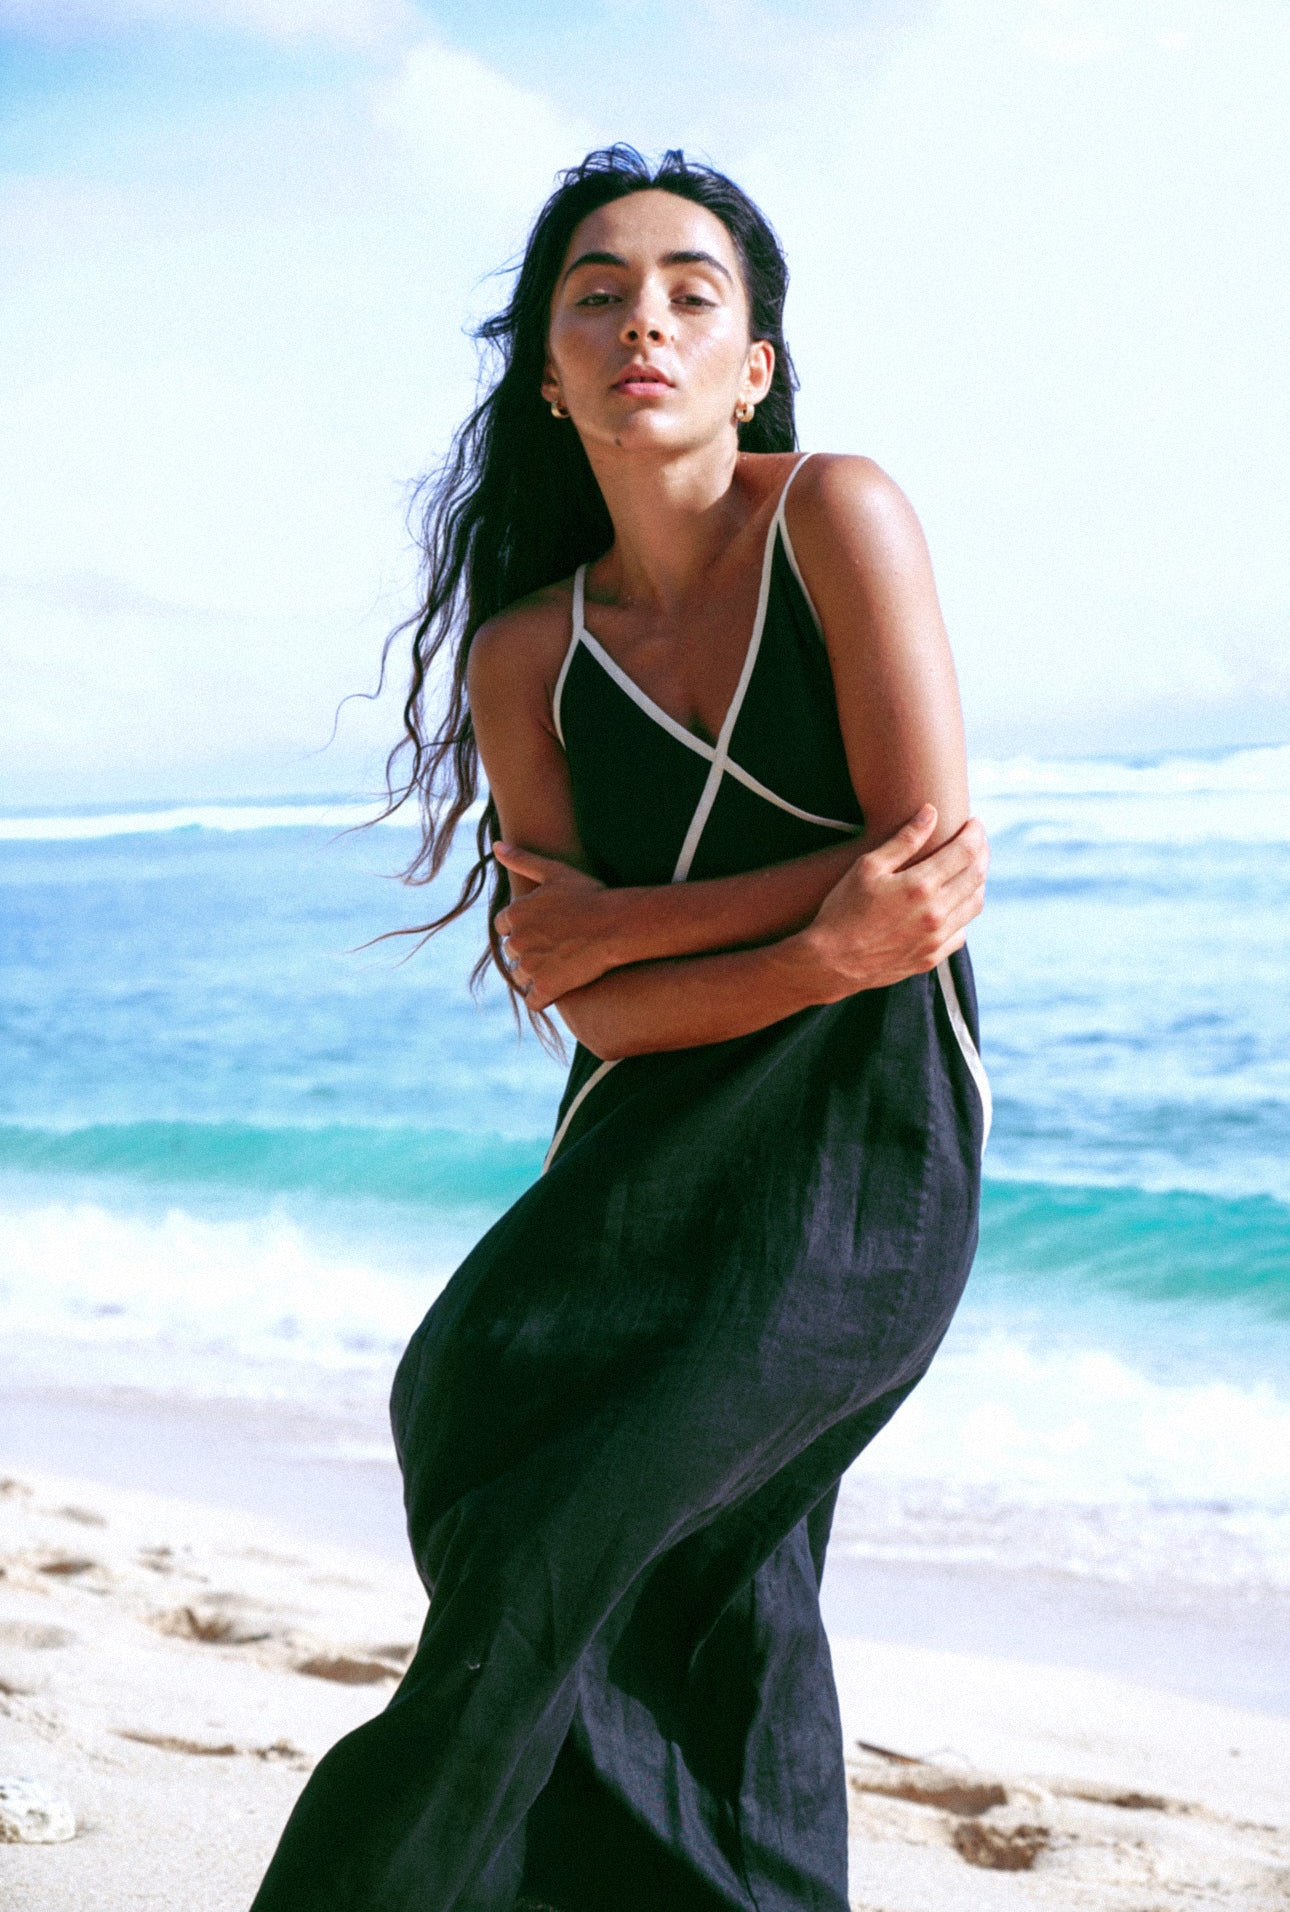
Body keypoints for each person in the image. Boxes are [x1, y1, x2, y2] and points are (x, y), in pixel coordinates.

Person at [249, 145, 990, 1912]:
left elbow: (921, 873)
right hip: (638, 1150)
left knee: (549, 1564)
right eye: (595, 295)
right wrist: (798, 942)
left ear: (752, 367)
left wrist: (657, 932)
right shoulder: (528, 652)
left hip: (857, 1163)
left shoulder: (837, 515)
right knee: (550, 1464)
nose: (640, 320)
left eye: (687, 292)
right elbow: (590, 1005)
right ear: (546, 370)